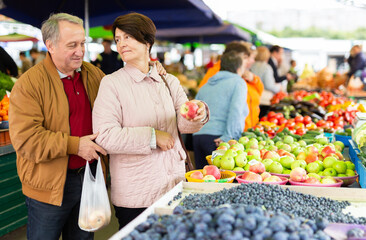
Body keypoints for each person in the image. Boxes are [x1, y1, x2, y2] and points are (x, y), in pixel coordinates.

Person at [92, 13, 209, 230]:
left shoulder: (168, 80)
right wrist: (153, 137)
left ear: (147, 41)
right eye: (118, 39)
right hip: (137, 192)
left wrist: (196, 114)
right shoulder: (112, 84)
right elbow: (105, 135)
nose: (122, 44)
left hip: (174, 184)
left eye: (128, 37)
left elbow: (183, 125)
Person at [9, 13, 111, 240]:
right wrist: (75, 145)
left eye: (83, 43)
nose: (80, 51)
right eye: (72, 45)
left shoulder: (94, 75)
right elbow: (26, 140)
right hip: (48, 187)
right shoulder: (29, 84)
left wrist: (153, 72)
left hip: (89, 180)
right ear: (50, 46)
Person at [193, 51, 249, 169]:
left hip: (198, 137)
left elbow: (194, 110)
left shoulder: (205, 86)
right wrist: (228, 137)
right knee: (218, 184)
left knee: (200, 183)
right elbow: (236, 110)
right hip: (218, 139)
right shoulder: (238, 82)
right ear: (239, 68)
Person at [198, 41, 263, 131]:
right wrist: (229, 135)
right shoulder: (219, 73)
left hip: (246, 129)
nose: (251, 61)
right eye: (247, 57)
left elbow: (258, 93)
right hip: (228, 132)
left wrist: (254, 79)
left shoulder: (245, 75)